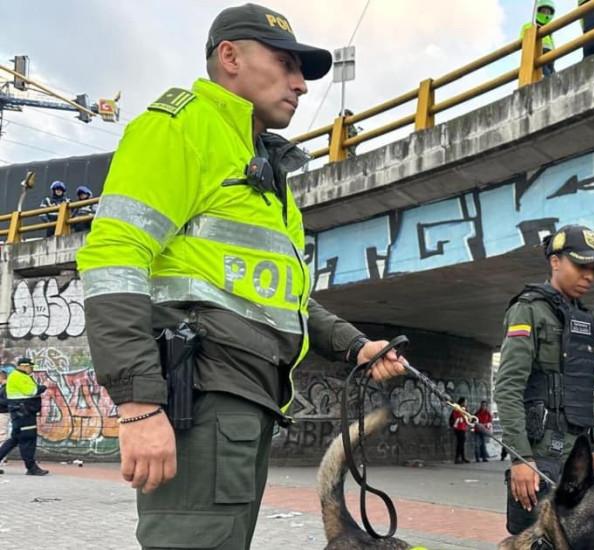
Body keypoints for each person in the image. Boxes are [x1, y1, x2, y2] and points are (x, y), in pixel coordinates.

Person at [75, 4, 407, 548]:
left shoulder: (262, 165)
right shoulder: (180, 128)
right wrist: (138, 405)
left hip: (243, 401)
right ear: (230, 56)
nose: (300, 84)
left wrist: (355, 347)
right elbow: (114, 256)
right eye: (285, 63)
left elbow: (283, 296)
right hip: (201, 395)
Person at [494, 224, 594, 535]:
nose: (589, 276)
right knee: (532, 538)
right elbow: (508, 388)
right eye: (581, 266)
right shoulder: (528, 310)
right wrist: (521, 458)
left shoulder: (585, 318)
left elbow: (581, 388)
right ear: (555, 261)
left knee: (575, 536)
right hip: (541, 452)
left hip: (578, 452)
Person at [0, 358, 49, 476]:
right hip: (24, 413)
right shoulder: (18, 376)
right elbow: (31, 391)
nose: (32, 369)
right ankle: (31, 467)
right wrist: (43, 387)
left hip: (21, 412)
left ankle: (31, 466)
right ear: (24, 366)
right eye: (30, 367)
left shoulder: (19, 376)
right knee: (28, 439)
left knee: (14, 439)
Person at [521, 0, 557, 77]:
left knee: (553, 75)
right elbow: (522, 41)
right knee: (545, 74)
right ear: (538, 11)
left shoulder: (549, 30)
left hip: (550, 57)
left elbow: (552, 45)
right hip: (538, 53)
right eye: (544, 11)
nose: (546, 14)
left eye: (548, 12)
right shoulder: (529, 25)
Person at [452, 397, 471, 463]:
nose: (466, 403)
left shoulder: (465, 409)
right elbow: (456, 417)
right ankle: (457, 458)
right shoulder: (457, 408)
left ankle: (462, 457)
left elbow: (467, 418)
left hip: (463, 428)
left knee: (462, 443)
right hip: (458, 428)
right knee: (460, 443)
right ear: (462, 402)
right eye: (465, 402)